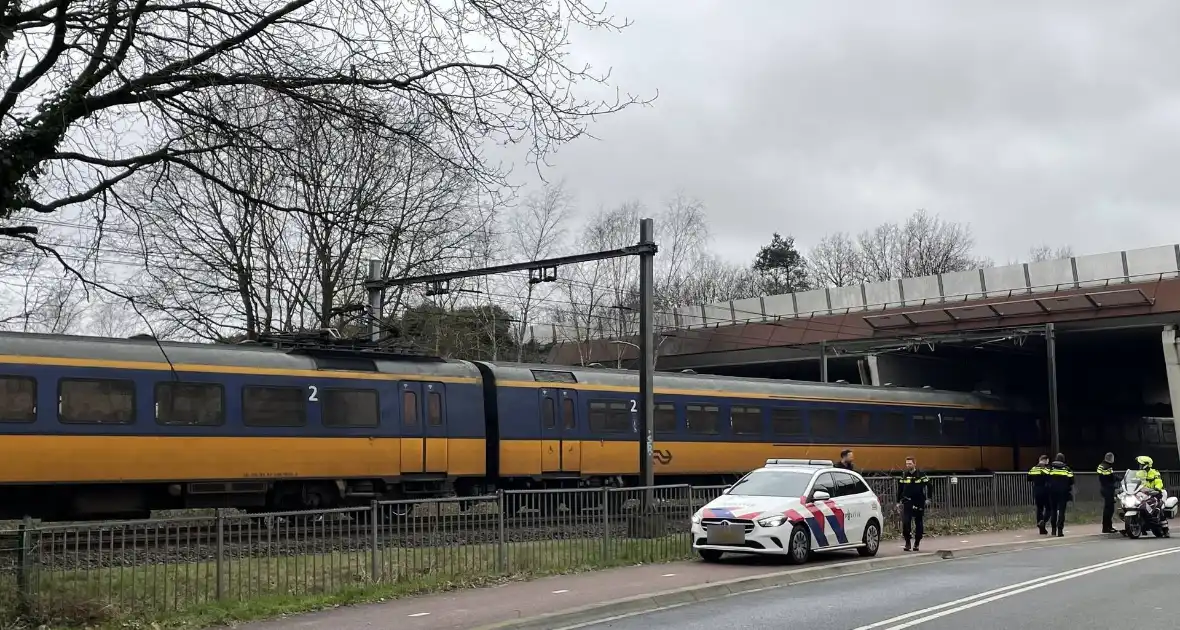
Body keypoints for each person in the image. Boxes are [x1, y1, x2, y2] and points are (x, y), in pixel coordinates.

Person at [896, 456, 930, 552]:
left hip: (919, 501)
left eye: (910, 463)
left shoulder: (921, 474)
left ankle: (917, 543)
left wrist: (928, 498)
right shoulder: (904, 475)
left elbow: (929, 485)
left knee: (918, 522)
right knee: (906, 522)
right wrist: (898, 501)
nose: (908, 465)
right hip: (907, 501)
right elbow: (900, 488)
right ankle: (907, 542)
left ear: (914, 464)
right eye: (907, 464)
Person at [1046, 452, 1074, 537]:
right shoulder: (1067, 469)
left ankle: (1053, 530)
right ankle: (1060, 531)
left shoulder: (1050, 468)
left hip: (1052, 492)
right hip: (1063, 493)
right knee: (1061, 511)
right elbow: (1072, 481)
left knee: (1053, 510)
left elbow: (1046, 478)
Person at [1135, 455, 1165, 521]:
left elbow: (1159, 482)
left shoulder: (1155, 472)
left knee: (1158, 507)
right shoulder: (1139, 473)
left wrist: (1157, 489)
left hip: (1154, 493)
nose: (1139, 466)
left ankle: (1163, 523)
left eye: (1141, 464)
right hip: (1144, 493)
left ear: (1146, 465)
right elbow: (1134, 482)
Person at [1027, 455, 1052, 535]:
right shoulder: (1046, 469)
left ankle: (1041, 529)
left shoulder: (1033, 469)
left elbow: (1029, 478)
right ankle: (1043, 522)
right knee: (1049, 508)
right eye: (1047, 461)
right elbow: (1050, 478)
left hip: (1036, 491)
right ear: (1045, 460)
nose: (1048, 463)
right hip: (1045, 491)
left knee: (1039, 509)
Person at [1096, 453, 1117, 533]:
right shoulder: (1108, 467)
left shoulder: (1101, 466)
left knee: (1107, 508)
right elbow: (1112, 478)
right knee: (1110, 509)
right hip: (1109, 489)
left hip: (1103, 488)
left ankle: (1106, 526)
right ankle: (1107, 527)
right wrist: (1119, 479)